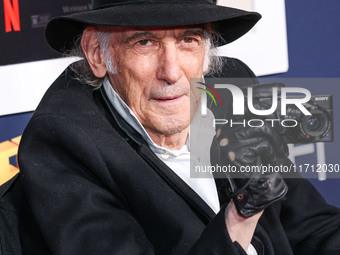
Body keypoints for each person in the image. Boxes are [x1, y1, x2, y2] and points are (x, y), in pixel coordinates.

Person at [17, 0, 340, 254]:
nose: (172, 72)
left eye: (189, 40)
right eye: (144, 43)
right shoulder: (64, 140)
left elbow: (310, 226)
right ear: (97, 54)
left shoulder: (231, 88)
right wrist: (241, 215)